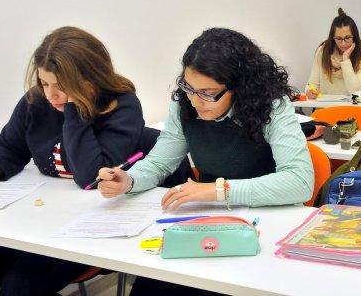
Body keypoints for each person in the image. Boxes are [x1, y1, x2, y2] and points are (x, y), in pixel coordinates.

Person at [97, 28, 313, 295]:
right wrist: (129, 180)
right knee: (151, 286)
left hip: (269, 222)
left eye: (208, 93)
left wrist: (218, 190)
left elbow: (299, 182)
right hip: (212, 219)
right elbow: (159, 162)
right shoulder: (184, 106)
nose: (195, 100)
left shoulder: (272, 106)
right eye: (189, 88)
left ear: (239, 87)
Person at [0, 26, 146, 295]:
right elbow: (7, 150)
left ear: (89, 81)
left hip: (88, 228)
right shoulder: (35, 101)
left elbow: (89, 177)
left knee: (18, 287)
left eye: (61, 86)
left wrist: (76, 109)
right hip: (38, 221)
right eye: (44, 83)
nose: (49, 95)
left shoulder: (123, 106)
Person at [306, 8, 361, 98]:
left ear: (355, 37)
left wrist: (345, 59)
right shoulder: (323, 51)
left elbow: (355, 91)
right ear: (333, 38)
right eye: (338, 39)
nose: (343, 43)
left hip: (349, 109)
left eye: (347, 38)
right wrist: (310, 91)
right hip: (324, 107)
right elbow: (312, 84)